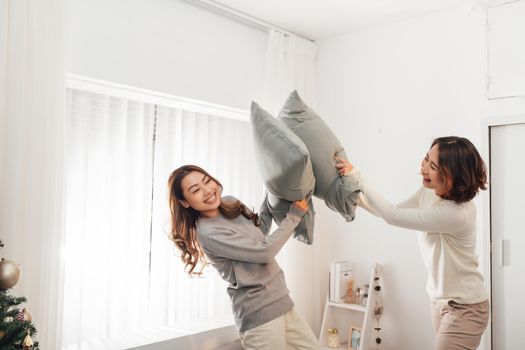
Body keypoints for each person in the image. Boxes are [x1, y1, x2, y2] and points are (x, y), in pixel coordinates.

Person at [335, 136, 489, 350]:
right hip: (438, 303)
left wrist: (358, 176)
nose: (424, 167)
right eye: (426, 158)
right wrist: (352, 197)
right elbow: (391, 212)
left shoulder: (456, 213)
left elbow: (392, 215)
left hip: (464, 308)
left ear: (451, 176)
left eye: (433, 166)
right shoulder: (429, 191)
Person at [167, 164, 320, 350]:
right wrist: (294, 216)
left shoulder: (230, 202)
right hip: (258, 314)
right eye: (196, 190)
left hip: (281, 301)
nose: (207, 190)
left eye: (207, 181)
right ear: (185, 202)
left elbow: (259, 232)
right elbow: (264, 252)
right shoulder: (209, 232)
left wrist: (271, 194)